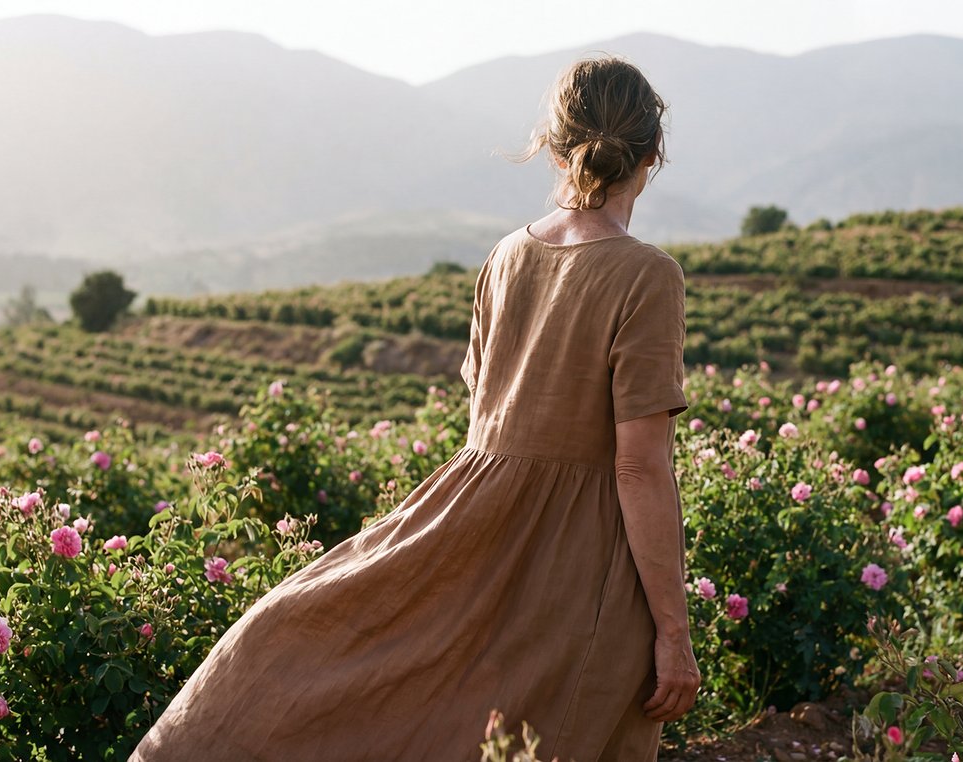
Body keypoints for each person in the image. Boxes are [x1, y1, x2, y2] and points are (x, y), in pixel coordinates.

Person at [131, 54, 699, 762]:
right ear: (652, 152)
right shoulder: (648, 275)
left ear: (554, 148)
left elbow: (486, 411)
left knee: (412, 700)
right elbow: (639, 468)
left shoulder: (506, 256)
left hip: (473, 522)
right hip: (583, 560)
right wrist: (673, 632)